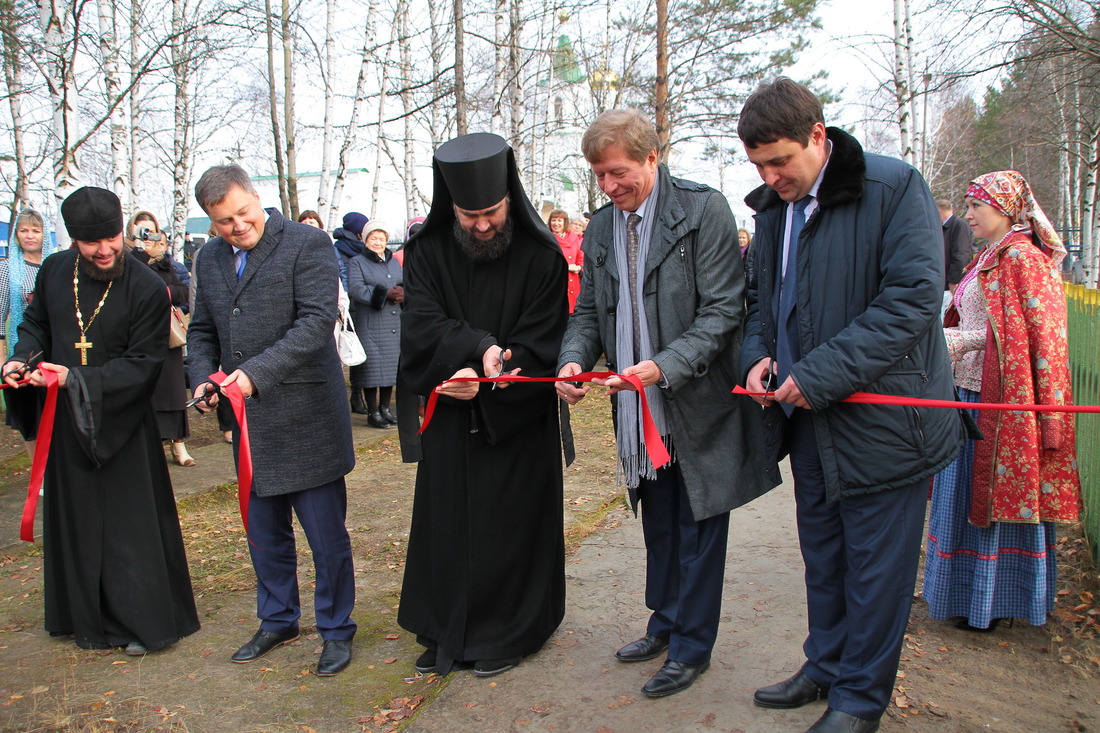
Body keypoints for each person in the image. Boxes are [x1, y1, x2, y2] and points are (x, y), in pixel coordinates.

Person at [737, 78, 965, 733]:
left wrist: (820, 371)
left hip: (887, 424)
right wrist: (758, 353)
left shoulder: (894, 189)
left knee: (876, 568)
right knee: (826, 556)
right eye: (757, 165)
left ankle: (860, 700)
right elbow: (760, 300)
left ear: (818, 136)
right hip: (809, 421)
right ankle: (826, 664)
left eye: (780, 160)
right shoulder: (774, 210)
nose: (771, 175)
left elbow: (913, 299)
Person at [556, 109, 776, 699]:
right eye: (599, 175)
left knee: (698, 522)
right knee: (660, 523)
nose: (609, 186)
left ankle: (691, 646)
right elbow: (587, 313)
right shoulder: (602, 227)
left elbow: (725, 309)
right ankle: (666, 622)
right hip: (636, 409)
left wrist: (666, 367)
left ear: (652, 157)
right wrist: (573, 359)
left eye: (619, 172)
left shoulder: (703, 210)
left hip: (697, 402)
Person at [397, 132, 569, 679]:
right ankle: (447, 629)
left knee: (508, 528)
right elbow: (421, 324)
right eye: (468, 214)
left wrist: (497, 370)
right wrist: (472, 354)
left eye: (491, 212)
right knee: (448, 527)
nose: (481, 224)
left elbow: (543, 337)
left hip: (514, 418)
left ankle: (508, 633)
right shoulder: (427, 250)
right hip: (452, 413)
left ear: (509, 201)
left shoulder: (541, 256)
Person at [2, 186, 199, 655]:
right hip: (68, 421)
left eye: (112, 238)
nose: (105, 250)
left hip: (122, 423)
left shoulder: (147, 286)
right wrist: (21, 359)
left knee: (125, 526)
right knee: (79, 521)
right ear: (74, 242)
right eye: (92, 243)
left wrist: (76, 377)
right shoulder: (54, 272)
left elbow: (145, 362)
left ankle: (139, 622)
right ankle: (83, 615)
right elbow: (36, 326)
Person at [187, 164, 357, 677]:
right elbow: (201, 331)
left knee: (325, 539)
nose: (237, 227)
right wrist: (201, 378)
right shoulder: (209, 258)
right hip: (249, 425)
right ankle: (278, 618)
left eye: (243, 213)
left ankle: (336, 630)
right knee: (264, 533)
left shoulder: (307, 243)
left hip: (306, 417)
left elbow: (313, 325)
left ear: (256, 198)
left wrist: (248, 377)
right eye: (223, 221)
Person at [923, 171, 1080, 633]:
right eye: (968, 206)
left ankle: (988, 604)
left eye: (976, 206)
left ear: (1006, 208)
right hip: (971, 394)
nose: (967, 214)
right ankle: (962, 596)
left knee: (992, 499)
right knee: (961, 496)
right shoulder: (989, 257)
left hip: (1003, 401)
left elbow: (1039, 339)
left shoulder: (1024, 259)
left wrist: (958, 341)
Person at [128, 211, 195, 467]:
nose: (147, 237)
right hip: (137, 336)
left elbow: (184, 291)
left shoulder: (168, 262)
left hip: (166, 335)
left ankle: (179, 444)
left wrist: (161, 292)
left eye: (151, 230)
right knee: (147, 390)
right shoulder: (128, 261)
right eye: (141, 231)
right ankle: (151, 445)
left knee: (173, 390)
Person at [1, 209, 57, 456]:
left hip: (52, 349)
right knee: (30, 417)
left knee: (53, 412)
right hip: (21, 352)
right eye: (24, 230)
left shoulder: (56, 266)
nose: (30, 236)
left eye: (36, 230)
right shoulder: (7, 270)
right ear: (16, 235)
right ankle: (39, 471)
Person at [347, 219, 402, 429]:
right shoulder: (357, 262)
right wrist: (383, 293)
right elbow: (356, 289)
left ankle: (386, 409)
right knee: (371, 371)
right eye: (373, 238)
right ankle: (373, 411)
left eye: (381, 238)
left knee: (389, 370)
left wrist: (403, 293)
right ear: (365, 239)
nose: (378, 242)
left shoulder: (394, 261)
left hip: (392, 323)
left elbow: (402, 281)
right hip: (369, 323)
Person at [548, 208, 584, 313]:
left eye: (559, 220)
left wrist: (578, 267)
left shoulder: (574, 239)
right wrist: (566, 267)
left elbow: (581, 259)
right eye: (553, 220)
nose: (556, 223)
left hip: (573, 284)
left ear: (565, 222)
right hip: (555, 283)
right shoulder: (547, 238)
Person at [937, 198, 973, 294]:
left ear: (938, 211)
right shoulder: (944, 227)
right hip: (944, 282)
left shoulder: (959, 225)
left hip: (952, 284)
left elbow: (962, 254)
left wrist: (954, 280)